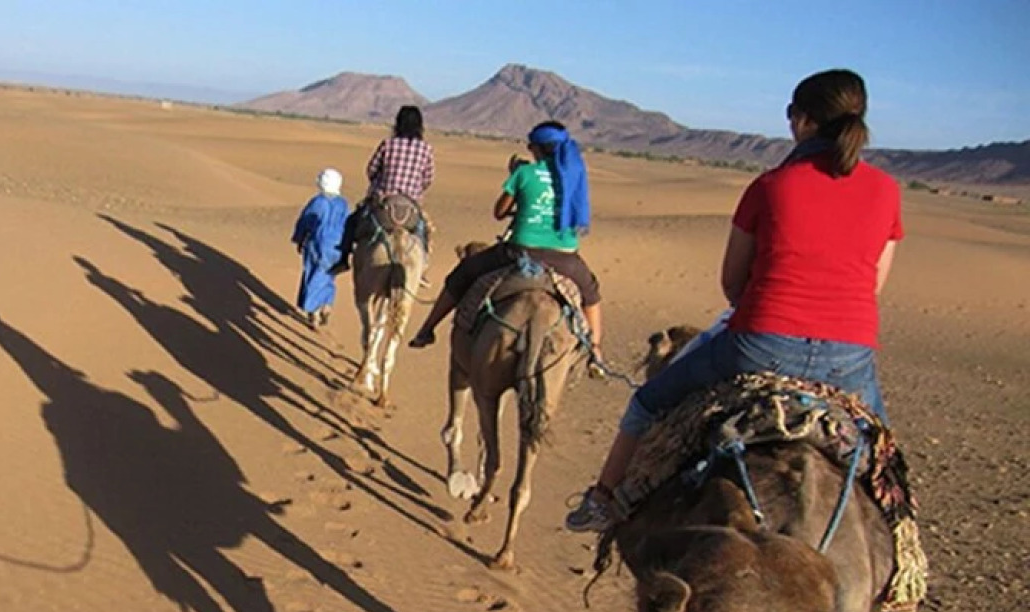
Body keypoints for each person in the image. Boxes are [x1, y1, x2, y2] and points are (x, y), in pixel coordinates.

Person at [564, 68, 903, 532]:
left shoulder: (772, 185)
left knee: (646, 403)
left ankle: (603, 500)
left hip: (760, 344)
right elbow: (874, 285)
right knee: (885, 455)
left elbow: (733, 282)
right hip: (849, 359)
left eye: (792, 114)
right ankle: (903, 545)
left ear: (804, 121)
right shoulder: (887, 191)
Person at [406, 121, 603, 354]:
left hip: (520, 251)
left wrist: (521, 190)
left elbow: (499, 212)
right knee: (591, 294)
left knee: (464, 273)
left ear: (537, 148)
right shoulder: (574, 177)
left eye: (531, 146)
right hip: (565, 258)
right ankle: (595, 349)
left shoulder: (525, 173)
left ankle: (427, 328)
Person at [331, 104, 435, 273]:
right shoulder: (426, 149)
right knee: (423, 232)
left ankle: (343, 259)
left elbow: (371, 169)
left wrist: (380, 182)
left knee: (352, 221)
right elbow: (428, 179)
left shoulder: (387, 144)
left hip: (383, 204)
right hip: (410, 208)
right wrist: (414, 188)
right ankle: (422, 269)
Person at [291, 168, 351, 327]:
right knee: (329, 276)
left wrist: (299, 239)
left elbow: (305, 222)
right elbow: (348, 224)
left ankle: (315, 310)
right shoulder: (343, 204)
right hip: (338, 247)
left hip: (318, 245)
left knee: (315, 275)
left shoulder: (318, 202)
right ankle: (327, 304)